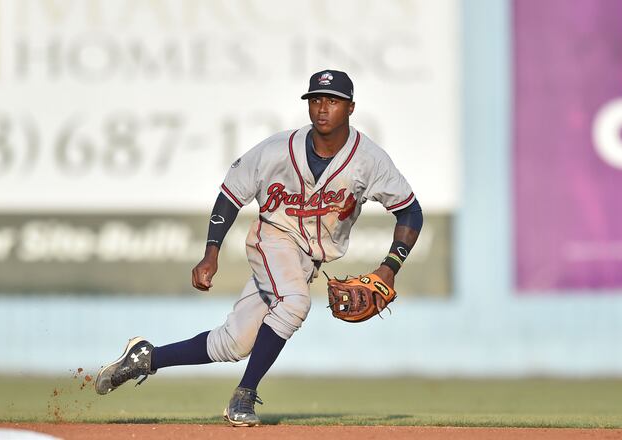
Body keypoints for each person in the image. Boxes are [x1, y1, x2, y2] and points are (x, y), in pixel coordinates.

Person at [95, 69, 423, 427]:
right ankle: (245, 394)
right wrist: (211, 253)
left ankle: (146, 358)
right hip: (274, 238)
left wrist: (389, 268)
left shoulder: (369, 160)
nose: (322, 108)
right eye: (315, 99)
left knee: (234, 343)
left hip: (308, 260)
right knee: (294, 303)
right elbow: (231, 194)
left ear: (351, 108)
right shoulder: (276, 150)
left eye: (333, 101)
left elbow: (410, 211)